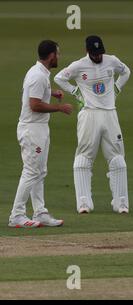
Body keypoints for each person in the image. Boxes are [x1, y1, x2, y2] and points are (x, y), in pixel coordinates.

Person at [54, 35, 131, 214]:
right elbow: (59, 78)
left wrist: (117, 88)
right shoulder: (79, 65)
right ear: (88, 51)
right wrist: (76, 92)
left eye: (100, 53)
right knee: (84, 158)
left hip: (110, 113)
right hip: (89, 114)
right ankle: (84, 203)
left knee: (118, 159)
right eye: (94, 54)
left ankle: (121, 203)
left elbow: (126, 71)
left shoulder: (111, 60)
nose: (98, 57)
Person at [9, 40, 73, 228]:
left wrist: (51, 92)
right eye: (58, 54)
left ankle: (40, 212)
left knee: (40, 171)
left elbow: (34, 93)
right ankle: (17, 215)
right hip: (32, 129)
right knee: (31, 171)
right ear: (51, 56)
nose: (59, 57)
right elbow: (34, 105)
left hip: (39, 128)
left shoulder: (40, 73)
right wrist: (59, 108)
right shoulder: (38, 75)